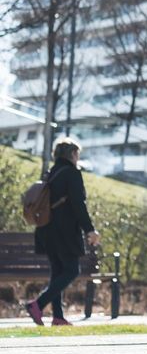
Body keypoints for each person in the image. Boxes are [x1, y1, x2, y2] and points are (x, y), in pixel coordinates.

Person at [26, 137, 99, 327]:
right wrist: (90, 230)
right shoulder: (72, 173)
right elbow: (78, 204)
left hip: (45, 230)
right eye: (77, 154)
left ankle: (58, 317)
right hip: (64, 231)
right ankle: (38, 304)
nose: (78, 158)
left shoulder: (51, 173)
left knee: (58, 272)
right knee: (72, 270)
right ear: (73, 154)